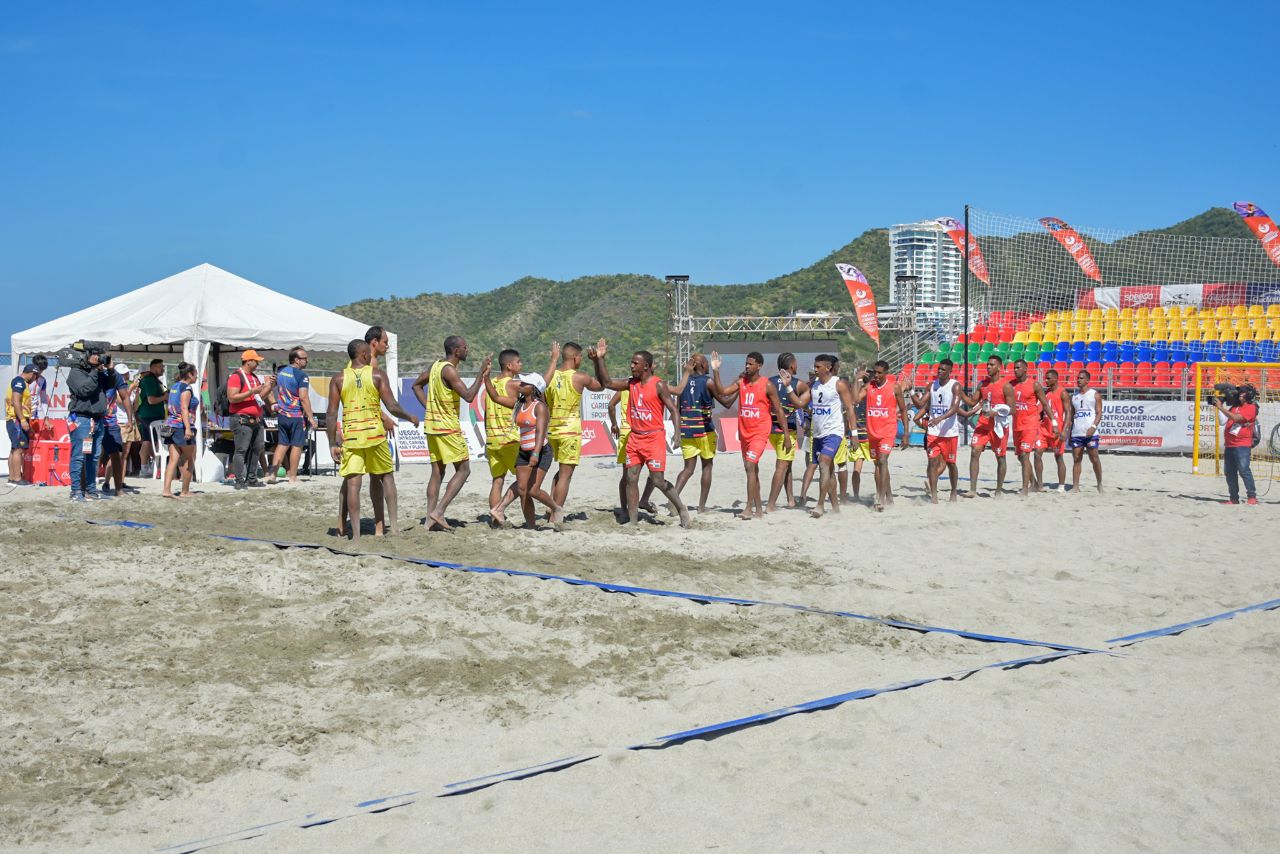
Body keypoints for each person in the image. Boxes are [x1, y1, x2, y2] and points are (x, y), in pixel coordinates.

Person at [588, 341, 690, 528]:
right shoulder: (631, 383)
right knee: (631, 478)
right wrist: (599, 360)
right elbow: (607, 383)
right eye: (632, 362)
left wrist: (677, 433)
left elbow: (674, 409)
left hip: (654, 438)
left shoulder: (659, 385)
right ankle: (633, 520)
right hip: (635, 437)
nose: (631, 366)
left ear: (646, 366)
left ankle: (681, 508)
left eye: (635, 363)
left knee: (657, 480)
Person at [328, 339, 419, 539]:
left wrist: (332, 443)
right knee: (386, 478)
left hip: (352, 437)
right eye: (368, 353)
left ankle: (357, 536)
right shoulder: (377, 375)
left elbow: (331, 414)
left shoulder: (338, 379)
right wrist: (410, 416)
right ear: (363, 354)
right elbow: (392, 406)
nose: (370, 356)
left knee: (353, 484)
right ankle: (392, 528)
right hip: (375, 436)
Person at [412, 335, 488, 531]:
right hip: (447, 428)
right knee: (464, 470)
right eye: (465, 347)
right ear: (456, 351)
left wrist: (429, 408)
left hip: (432, 426)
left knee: (437, 471)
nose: (467, 350)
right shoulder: (449, 371)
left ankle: (429, 520)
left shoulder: (436, 366)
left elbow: (416, 385)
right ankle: (439, 511)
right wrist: (481, 373)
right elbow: (470, 396)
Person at [710, 350, 791, 521]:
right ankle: (759, 509)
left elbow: (779, 411)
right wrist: (716, 370)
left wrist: (786, 435)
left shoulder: (767, 385)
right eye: (746, 363)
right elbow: (723, 391)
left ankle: (748, 507)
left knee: (750, 465)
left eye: (750, 363)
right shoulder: (742, 382)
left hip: (760, 433)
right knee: (752, 470)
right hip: (745, 433)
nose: (747, 366)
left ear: (759, 366)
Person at [782, 354, 853, 518]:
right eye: (814, 366)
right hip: (818, 434)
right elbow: (799, 403)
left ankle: (820, 505)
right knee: (829, 469)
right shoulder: (814, 386)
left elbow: (849, 408)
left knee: (823, 464)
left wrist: (854, 434)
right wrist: (788, 387)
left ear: (828, 368)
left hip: (834, 432)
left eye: (818, 366)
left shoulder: (838, 384)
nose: (815, 369)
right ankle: (835, 506)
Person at [543, 341, 606, 516]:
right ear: (576, 358)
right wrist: (598, 361)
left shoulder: (549, 376)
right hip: (570, 431)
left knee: (560, 472)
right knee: (566, 475)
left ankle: (550, 506)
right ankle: (556, 513)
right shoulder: (579, 377)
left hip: (553, 430)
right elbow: (602, 385)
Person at [506, 372, 563, 529]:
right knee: (523, 491)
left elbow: (540, 432)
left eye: (525, 384)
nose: (521, 385)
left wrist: (536, 453)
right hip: (524, 451)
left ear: (534, 388)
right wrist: (486, 377)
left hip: (541, 451)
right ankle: (531, 526)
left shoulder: (540, 407)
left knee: (533, 490)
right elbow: (503, 393)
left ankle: (556, 508)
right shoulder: (520, 404)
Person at [960, 355, 1016, 498]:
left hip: (998, 427)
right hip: (983, 424)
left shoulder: (1006, 386)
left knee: (1000, 457)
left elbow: (1012, 409)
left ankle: (998, 490)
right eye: (988, 364)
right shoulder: (982, 384)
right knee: (974, 452)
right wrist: (959, 392)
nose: (988, 367)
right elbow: (972, 402)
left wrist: (995, 412)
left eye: (992, 365)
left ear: (999, 367)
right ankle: (972, 490)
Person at [481, 349, 524, 527]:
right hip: (509, 438)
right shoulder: (514, 384)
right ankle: (527, 517)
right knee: (524, 481)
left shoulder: (491, 383)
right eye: (519, 362)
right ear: (509, 365)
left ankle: (495, 519)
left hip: (492, 438)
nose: (521, 365)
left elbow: (486, 413)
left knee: (497, 481)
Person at [672, 353, 719, 513]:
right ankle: (701, 507)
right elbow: (725, 400)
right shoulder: (708, 381)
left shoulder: (683, 383)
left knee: (688, 469)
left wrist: (677, 432)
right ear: (703, 365)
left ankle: (674, 501)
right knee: (707, 466)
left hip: (687, 430)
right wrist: (738, 387)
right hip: (705, 431)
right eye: (706, 363)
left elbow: (677, 409)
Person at [862, 360, 910, 511]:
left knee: (883, 460)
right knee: (878, 464)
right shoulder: (869, 387)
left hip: (888, 430)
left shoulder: (894, 388)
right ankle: (888, 496)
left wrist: (906, 433)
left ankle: (880, 498)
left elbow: (903, 410)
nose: (876, 375)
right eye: (874, 372)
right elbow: (855, 399)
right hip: (872, 431)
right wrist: (858, 379)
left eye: (879, 372)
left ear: (886, 373)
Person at [914, 357, 962, 503]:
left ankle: (953, 492)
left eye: (943, 370)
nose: (939, 372)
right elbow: (921, 404)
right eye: (938, 369)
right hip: (933, 432)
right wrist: (910, 391)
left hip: (949, 432)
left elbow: (955, 408)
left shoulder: (955, 386)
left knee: (951, 464)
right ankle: (934, 496)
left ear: (949, 371)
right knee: (933, 462)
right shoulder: (932, 385)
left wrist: (940, 418)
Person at [227, 350, 276, 489]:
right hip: (242, 419)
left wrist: (270, 386)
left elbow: (260, 397)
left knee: (257, 449)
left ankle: (252, 479)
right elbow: (232, 397)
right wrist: (251, 392)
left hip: (256, 419)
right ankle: (239, 480)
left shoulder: (253, 377)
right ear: (248, 361)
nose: (258, 363)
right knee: (241, 450)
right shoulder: (236, 376)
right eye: (256, 361)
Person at [66, 349, 110, 502]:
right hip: (82, 419)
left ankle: (91, 490)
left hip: (97, 420)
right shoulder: (75, 373)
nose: (98, 357)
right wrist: (94, 370)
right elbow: (85, 390)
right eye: (95, 354)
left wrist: (109, 369)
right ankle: (76, 491)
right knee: (79, 456)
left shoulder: (96, 372)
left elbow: (111, 385)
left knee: (93, 457)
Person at [765, 353, 808, 511]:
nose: (797, 367)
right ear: (791, 366)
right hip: (786, 432)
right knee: (782, 466)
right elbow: (805, 401)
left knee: (786, 465)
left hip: (771, 430)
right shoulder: (798, 384)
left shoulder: (768, 382)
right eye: (796, 364)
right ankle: (770, 505)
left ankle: (790, 500)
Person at [267, 347, 316, 484]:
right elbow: (304, 398)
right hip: (296, 416)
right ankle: (293, 477)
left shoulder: (282, 371)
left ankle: (272, 475)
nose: (307, 360)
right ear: (296, 360)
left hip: (282, 414)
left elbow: (271, 388)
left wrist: (274, 403)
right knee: (297, 445)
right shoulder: (302, 376)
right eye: (304, 358)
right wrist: (311, 417)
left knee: (282, 444)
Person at [1010, 358, 1057, 496]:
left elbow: (1045, 404)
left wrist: (1054, 423)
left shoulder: (1034, 385)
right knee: (1020, 456)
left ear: (1025, 369)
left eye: (1018, 368)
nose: (1015, 370)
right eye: (1014, 368)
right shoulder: (1010, 385)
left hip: (1030, 424)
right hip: (1016, 424)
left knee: (1025, 454)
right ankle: (1035, 483)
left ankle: (1025, 489)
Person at [1212, 382, 1258, 505]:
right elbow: (1223, 421)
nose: (1239, 394)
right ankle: (1234, 498)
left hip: (1242, 444)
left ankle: (1252, 497)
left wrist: (1221, 408)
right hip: (1230, 444)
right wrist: (1219, 406)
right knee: (1230, 473)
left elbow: (1237, 418)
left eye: (1242, 392)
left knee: (1244, 470)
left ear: (1248, 395)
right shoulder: (1234, 406)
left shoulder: (1251, 407)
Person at [161, 362, 200, 499]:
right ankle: (185, 491)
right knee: (189, 459)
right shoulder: (186, 388)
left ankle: (166, 490)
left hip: (170, 425)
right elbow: (184, 408)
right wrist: (188, 428)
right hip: (180, 426)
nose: (197, 376)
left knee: (173, 460)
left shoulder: (174, 387)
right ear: (190, 374)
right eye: (195, 373)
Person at [99, 359, 134, 495]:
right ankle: (87, 488)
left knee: (118, 454)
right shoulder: (91, 374)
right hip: (93, 420)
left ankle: (118, 488)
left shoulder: (116, 377)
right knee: (91, 455)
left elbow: (125, 397)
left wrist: (130, 419)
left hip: (111, 421)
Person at [1068, 370, 1105, 494]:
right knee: (1076, 459)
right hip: (1077, 433)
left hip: (1090, 433)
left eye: (1081, 378)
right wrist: (1069, 434)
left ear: (1087, 380)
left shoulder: (1094, 394)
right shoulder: (1074, 397)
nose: (1078, 380)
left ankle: (1099, 484)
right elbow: (1072, 416)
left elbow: (1099, 413)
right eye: (1078, 378)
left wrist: (1093, 426)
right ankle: (1075, 486)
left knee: (1094, 458)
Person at [6, 363, 41, 486]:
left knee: (14, 449)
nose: (35, 379)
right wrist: (22, 420)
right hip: (16, 419)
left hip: (17, 419)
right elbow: (16, 401)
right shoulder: (19, 382)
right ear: (32, 373)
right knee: (19, 449)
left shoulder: (21, 383)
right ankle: (16, 478)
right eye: (36, 376)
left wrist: (28, 423)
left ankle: (11, 477)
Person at [1037, 369, 1071, 493]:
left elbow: (1068, 413)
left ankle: (1061, 486)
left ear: (1055, 379)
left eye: (1048, 378)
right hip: (1044, 429)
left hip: (1057, 430)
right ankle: (1039, 485)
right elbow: (1041, 411)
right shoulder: (1046, 393)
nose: (1046, 380)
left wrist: (1065, 430)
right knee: (1037, 453)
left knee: (1059, 457)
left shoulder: (1063, 393)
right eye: (1045, 378)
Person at [136, 359, 167, 476]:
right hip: (151, 415)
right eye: (160, 367)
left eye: (163, 366)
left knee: (147, 441)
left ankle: (146, 468)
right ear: (152, 368)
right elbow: (151, 400)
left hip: (150, 414)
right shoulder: (149, 380)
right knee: (155, 441)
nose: (163, 368)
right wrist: (165, 397)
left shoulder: (154, 380)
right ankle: (152, 466)